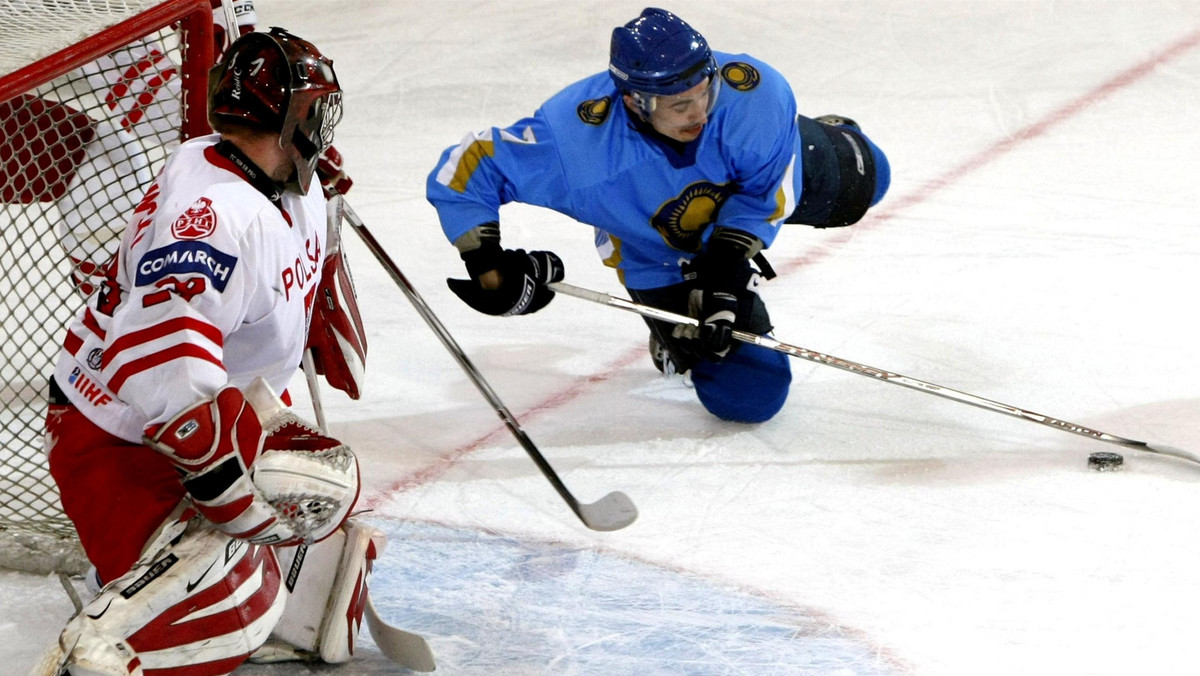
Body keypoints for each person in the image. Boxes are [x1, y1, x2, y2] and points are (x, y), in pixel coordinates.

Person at [39, 28, 372, 675]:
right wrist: (224, 490)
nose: (322, 129)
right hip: (117, 436)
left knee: (325, 490)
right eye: (312, 113)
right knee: (221, 621)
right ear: (285, 119)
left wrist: (323, 273)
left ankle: (178, 557)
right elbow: (156, 362)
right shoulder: (213, 217)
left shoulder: (274, 177)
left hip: (221, 407)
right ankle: (118, 626)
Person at [427, 7, 890, 424]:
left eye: (704, 93)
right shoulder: (575, 144)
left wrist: (727, 273)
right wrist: (486, 263)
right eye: (680, 105)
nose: (700, 114)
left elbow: (763, 194)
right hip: (658, 254)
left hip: (745, 190)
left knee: (870, 174)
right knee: (750, 398)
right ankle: (670, 334)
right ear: (634, 101)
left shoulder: (751, 95)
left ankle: (815, 135)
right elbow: (469, 166)